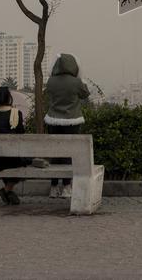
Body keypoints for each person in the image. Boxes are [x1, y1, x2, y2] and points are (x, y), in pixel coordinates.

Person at [44, 53, 90, 199]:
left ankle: (53, 187)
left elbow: (48, 93)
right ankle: (66, 187)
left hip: (52, 120)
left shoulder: (51, 81)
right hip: (72, 121)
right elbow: (85, 94)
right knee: (68, 154)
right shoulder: (75, 82)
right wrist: (81, 80)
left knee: (54, 153)